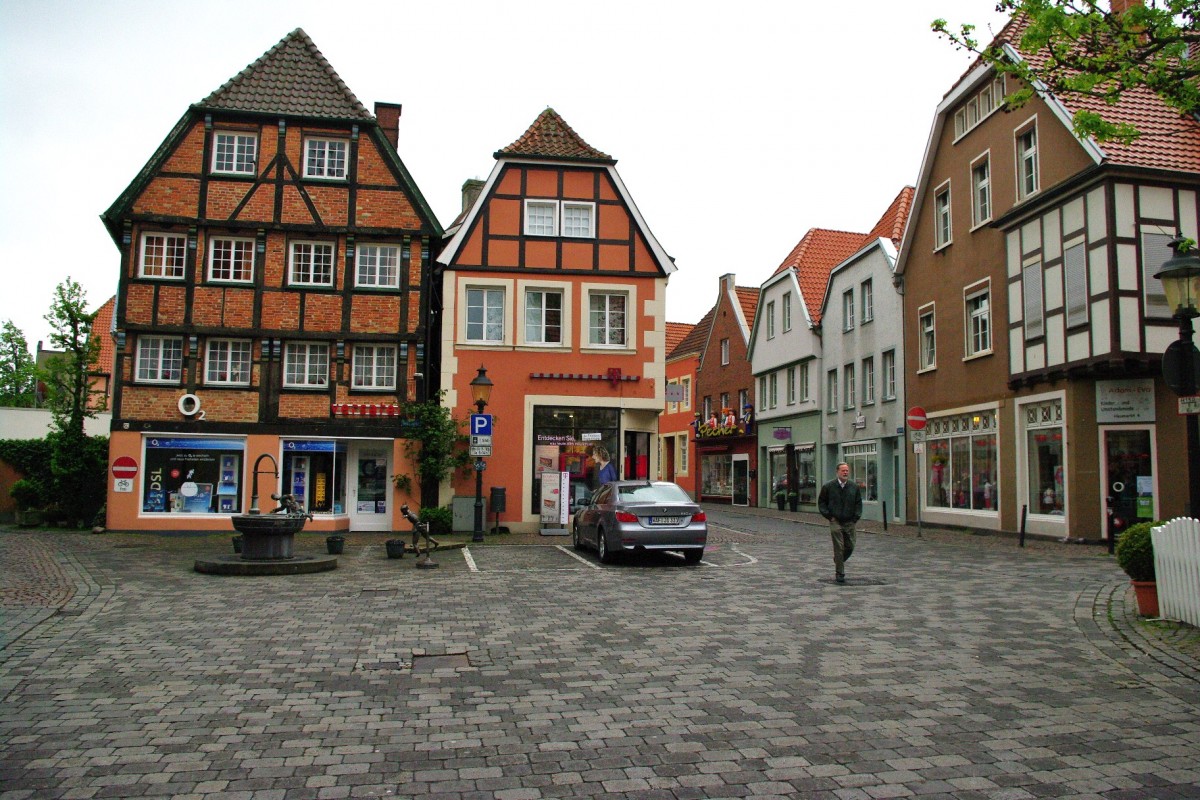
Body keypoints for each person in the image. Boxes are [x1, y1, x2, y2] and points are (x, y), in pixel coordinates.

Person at [818, 462, 863, 584]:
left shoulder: (854, 487)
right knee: (839, 546)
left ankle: (838, 560)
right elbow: (821, 502)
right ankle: (840, 573)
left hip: (849, 521)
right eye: (843, 470)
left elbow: (858, 503)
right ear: (837, 472)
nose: (845, 472)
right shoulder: (829, 487)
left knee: (850, 546)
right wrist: (829, 516)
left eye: (847, 470)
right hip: (835, 521)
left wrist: (855, 518)